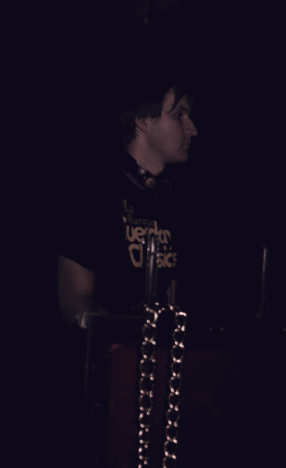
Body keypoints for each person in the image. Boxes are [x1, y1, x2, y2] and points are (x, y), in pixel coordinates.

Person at [57, 78, 198, 326]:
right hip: (109, 349)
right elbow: (73, 301)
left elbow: (171, 302)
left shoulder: (172, 199)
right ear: (142, 120)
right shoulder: (92, 192)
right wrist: (125, 340)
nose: (192, 129)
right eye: (179, 115)